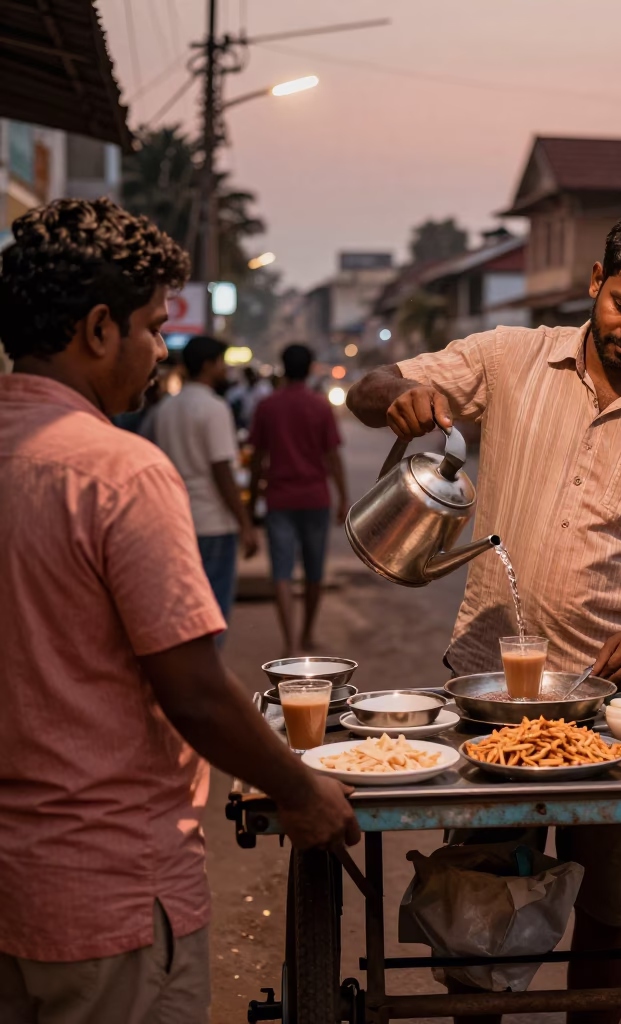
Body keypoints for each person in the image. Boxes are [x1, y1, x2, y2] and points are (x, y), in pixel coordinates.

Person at [348, 206, 621, 1024]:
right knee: (481, 894)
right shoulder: (508, 359)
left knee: (610, 902)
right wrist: (403, 397)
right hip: (487, 686)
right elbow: (367, 386)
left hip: (605, 700)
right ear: (596, 283)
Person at [0, 198, 359, 1024]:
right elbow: (192, 688)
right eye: (152, 329)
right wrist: (299, 788)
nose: (160, 352)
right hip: (107, 892)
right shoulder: (119, 471)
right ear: (98, 329)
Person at [152, 335, 259, 629]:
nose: (225, 371)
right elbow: (222, 470)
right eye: (221, 364)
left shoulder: (166, 408)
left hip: (177, 521)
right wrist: (245, 524)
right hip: (212, 523)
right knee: (211, 614)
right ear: (209, 365)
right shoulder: (214, 408)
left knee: (184, 612)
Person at [249, 343, 349, 656]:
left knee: (281, 571)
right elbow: (333, 456)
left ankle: (289, 641)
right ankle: (307, 633)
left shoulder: (267, 406)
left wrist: (252, 498)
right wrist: (343, 497)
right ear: (309, 369)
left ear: (282, 367)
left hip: (279, 499)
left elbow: (257, 458)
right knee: (314, 569)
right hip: (315, 498)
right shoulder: (320, 406)